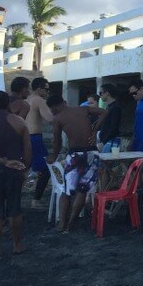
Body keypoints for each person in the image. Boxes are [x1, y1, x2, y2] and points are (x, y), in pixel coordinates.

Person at [0, 91, 31, 261]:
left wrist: (2, 162)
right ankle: (17, 245)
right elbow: (28, 152)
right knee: (15, 209)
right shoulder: (20, 122)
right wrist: (25, 170)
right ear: (7, 103)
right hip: (15, 170)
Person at [46, 95, 106, 233]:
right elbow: (104, 112)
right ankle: (71, 223)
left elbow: (57, 141)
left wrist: (54, 156)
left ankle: (62, 225)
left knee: (66, 192)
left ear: (56, 107)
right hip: (92, 153)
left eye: (52, 110)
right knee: (82, 190)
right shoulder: (83, 109)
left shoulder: (58, 118)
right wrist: (95, 129)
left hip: (75, 154)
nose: (52, 113)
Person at [26, 77, 55, 209]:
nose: (48, 92)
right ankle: (36, 200)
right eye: (47, 89)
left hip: (24, 138)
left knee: (23, 169)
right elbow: (49, 118)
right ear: (39, 89)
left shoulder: (26, 100)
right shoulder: (39, 100)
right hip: (34, 138)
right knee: (46, 169)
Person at [98, 84, 122, 153]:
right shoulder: (109, 107)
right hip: (106, 141)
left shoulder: (115, 108)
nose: (100, 95)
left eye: (101, 93)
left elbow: (114, 127)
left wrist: (103, 142)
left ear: (107, 93)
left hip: (110, 141)